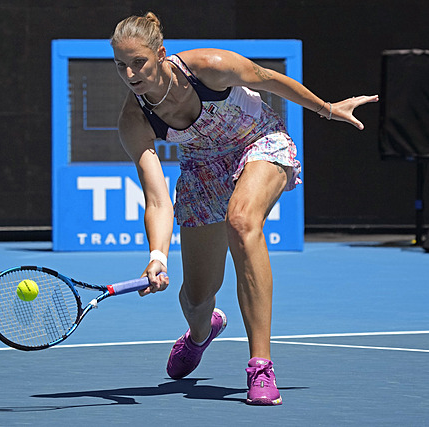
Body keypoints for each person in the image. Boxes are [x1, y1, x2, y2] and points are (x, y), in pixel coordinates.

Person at [110, 12, 378, 406]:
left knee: (242, 220)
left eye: (139, 62)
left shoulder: (208, 67)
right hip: (203, 167)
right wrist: (157, 256)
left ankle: (260, 365)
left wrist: (326, 109)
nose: (131, 73)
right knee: (197, 297)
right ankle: (202, 332)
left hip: (259, 141)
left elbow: (268, 79)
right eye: (121, 65)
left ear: (161, 54)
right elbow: (156, 198)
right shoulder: (134, 120)